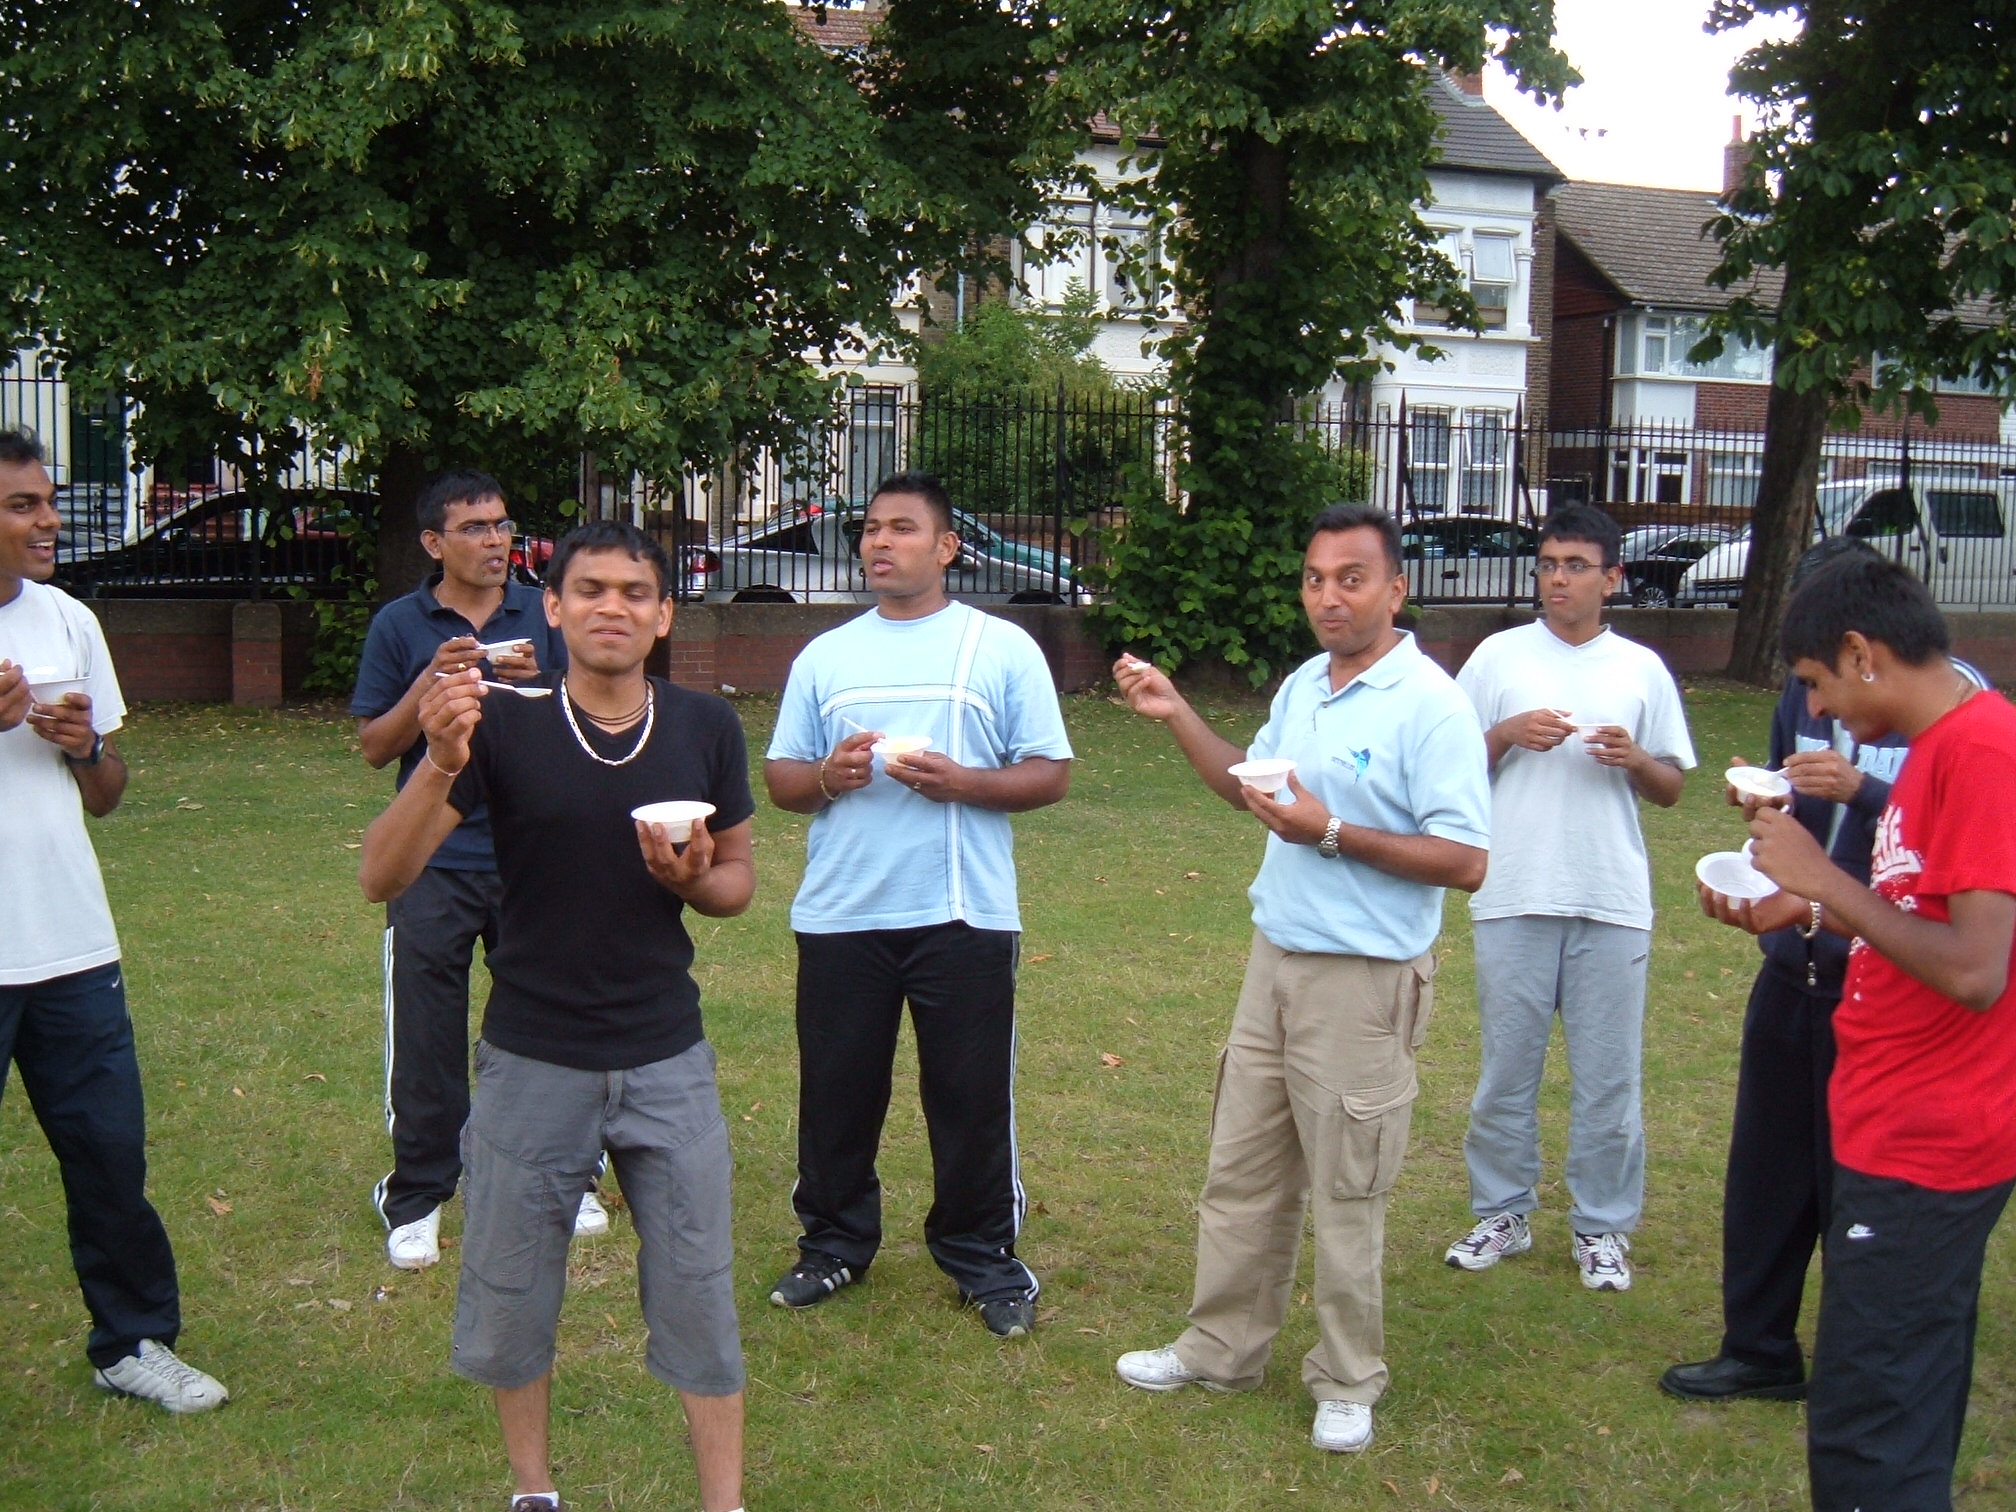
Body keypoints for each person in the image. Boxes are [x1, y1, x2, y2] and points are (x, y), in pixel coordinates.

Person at [359, 520, 753, 1512]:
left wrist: (698, 876)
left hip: (668, 1053)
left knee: (700, 1292)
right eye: (590, 590)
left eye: (633, 592)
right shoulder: (504, 724)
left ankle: (724, 1503)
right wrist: (443, 762)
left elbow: (739, 883)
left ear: (663, 615)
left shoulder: (706, 728)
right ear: (558, 607)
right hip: (532, 1056)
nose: (611, 607)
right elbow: (382, 874)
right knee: (511, 1292)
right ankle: (533, 1492)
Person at [1111, 502, 1491, 1454]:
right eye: (1316, 577)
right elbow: (1256, 784)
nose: (1330, 595)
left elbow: (1465, 858)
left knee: (1348, 1188)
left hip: (1365, 982)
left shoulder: (1432, 705)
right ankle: (1220, 1347)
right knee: (1240, 1170)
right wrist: (1178, 714)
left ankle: (1349, 1376)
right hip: (1275, 958)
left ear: (1396, 588)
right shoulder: (1307, 686)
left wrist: (1328, 830)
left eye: (1351, 577)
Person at [1713, 552, 2016, 1512]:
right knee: (1884, 1400)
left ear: (1861, 652)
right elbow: (1912, 907)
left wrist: (1821, 878)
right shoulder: (1938, 747)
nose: (1822, 710)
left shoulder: (1980, 753)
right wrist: (1803, 913)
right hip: (1889, 1121)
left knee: (1869, 1434)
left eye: (1816, 683)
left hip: (1930, 1143)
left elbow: (1975, 968)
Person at [1662, 538, 1986, 1402]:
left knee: (1859, 1183)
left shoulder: (1965, 722)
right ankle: (1759, 1346)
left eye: (1816, 673)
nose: (1810, 697)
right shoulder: (1813, 699)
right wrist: (1771, 820)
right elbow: (1796, 821)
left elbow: (1944, 876)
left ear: (1859, 646)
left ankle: (1861, 1347)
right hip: (1802, 953)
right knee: (1767, 1166)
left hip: (1883, 974)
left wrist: (1857, 799)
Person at [762, 471, 1072, 1340]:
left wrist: (964, 782)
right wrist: (831, 775)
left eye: (902, 529)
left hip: (964, 915)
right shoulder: (825, 656)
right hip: (842, 914)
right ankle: (832, 1244)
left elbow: (1050, 772)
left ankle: (982, 1258)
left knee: (969, 1097)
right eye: (870, 529)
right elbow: (784, 780)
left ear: (946, 548)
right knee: (837, 1093)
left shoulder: (1000, 646)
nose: (878, 543)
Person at [0, 429, 227, 1413]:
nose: (48, 519)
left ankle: (133, 1341)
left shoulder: (67, 622)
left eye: (47, 500)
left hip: (69, 945)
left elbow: (109, 795)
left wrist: (84, 744)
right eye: (22, 504)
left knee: (108, 1155)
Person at [350, 469, 600, 1270]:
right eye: (476, 528)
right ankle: (420, 1190)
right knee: (426, 1025)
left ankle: (573, 1172)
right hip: (435, 855)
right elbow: (374, 747)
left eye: (503, 525)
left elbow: (594, 717)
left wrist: (538, 689)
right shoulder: (400, 624)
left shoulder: (546, 612)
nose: (497, 542)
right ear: (434, 543)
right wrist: (434, 680)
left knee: (553, 1019)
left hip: (533, 848)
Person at [1443, 505, 1694, 1292]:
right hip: (1514, 888)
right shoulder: (1495, 658)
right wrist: (1504, 734)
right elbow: (1446, 770)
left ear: (1612, 578)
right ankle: (1502, 1212)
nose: (1558, 578)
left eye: (1576, 565)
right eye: (1549, 563)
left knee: (1609, 1080)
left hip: (1610, 895)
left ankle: (1602, 1228)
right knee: (1506, 1073)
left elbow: (1673, 788)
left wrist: (1634, 760)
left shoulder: (1641, 669)